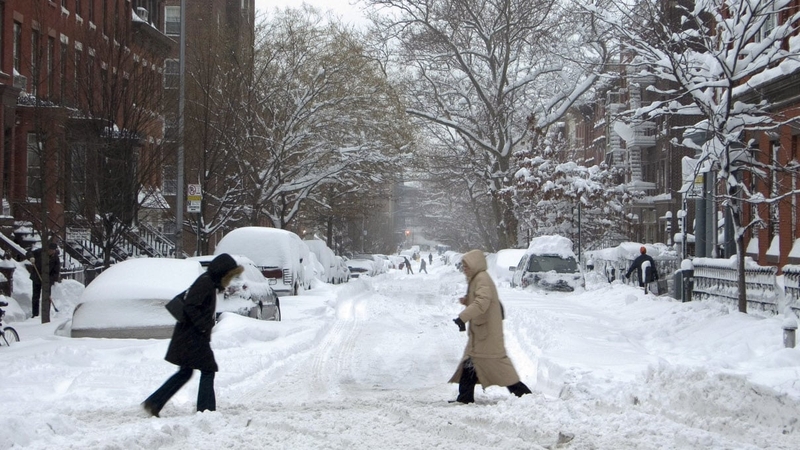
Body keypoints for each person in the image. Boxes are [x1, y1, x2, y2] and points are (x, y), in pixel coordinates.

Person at [142, 253, 244, 417]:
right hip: (192, 337)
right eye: (229, 276)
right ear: (222, 273)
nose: (230, 280)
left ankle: (154, 403)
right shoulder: (205, 283)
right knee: (208, 369)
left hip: (189, 335)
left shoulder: (208, 282)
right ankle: (206, 410)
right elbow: (190, 306)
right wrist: (204, 326)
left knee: (186, 372)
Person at [449, 249, 531, 404]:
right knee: (470, 364)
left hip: (486, 335)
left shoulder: (481, 279)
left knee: (500, 368)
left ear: (474, 265)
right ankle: (465, 397)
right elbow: (481, 300)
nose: (464, 269)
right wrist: (468, 300)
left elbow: (482, 302)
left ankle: (526, 397)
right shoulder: (477, 279)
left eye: (466, 266)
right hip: (482, 333)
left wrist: (462, 317)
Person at [28, 242, 61, 318]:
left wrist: (49, 280)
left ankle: (46, 313)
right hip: (37, 277)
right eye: (50, 250)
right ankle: (35, 314)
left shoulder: (55, 258)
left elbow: (56, 272)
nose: (51, 252)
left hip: (47, 280)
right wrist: (31, 257)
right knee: (36, 297)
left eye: (53, 250)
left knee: (46, 297)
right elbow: (29, 253)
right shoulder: (40, 252)